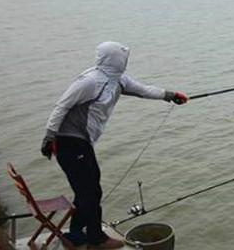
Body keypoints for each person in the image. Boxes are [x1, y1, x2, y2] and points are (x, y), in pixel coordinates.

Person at [40, 41, 188, 249]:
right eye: (123, 57)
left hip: (82, 143)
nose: (126, 60)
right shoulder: (90, 81)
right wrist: (49, 137)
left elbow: (144, 90)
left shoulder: (118, 80)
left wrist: (170, 95)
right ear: (114, 59)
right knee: (90, 191)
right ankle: (96, 238)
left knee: (89, 189)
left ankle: (76, 235)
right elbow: (61, 106)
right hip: (69, 143)